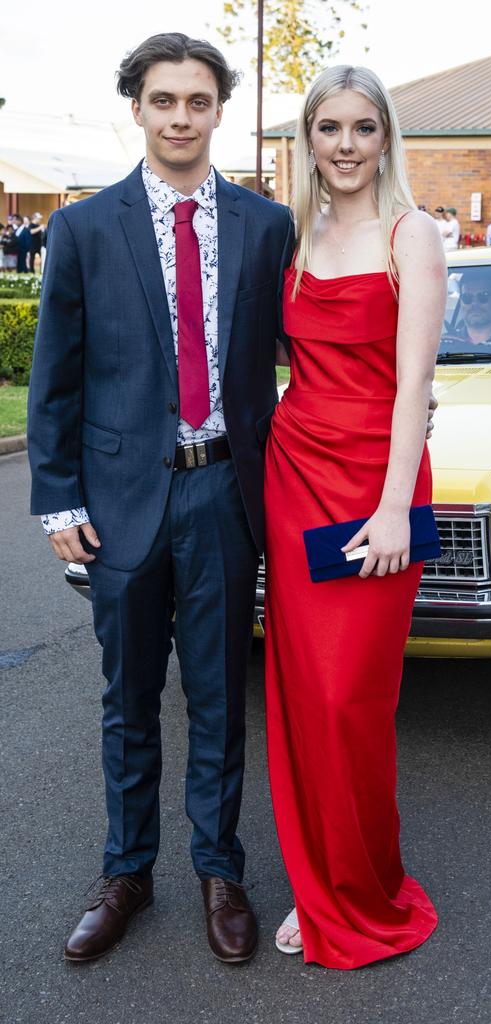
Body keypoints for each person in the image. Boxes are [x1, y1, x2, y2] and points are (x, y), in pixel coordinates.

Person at [27, 32, 296, 966]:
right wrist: (57, 499)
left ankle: (221, 871)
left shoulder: (268, 227)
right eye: (163, 100)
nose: (182, 117)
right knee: (128, 698)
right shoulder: (85, 228)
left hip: (227, 491)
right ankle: (126, 873)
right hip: (121, 499)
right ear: (137, 109)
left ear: (220, 109)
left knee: (222, 698)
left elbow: (313, 351)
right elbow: (55, 378)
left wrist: (404, 395)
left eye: (198, 100)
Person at [265, 64, 443, 968]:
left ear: (386, 138)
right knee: (301, 697)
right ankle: (316, 885)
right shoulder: (292, 235)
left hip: (378, 488)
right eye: (328, 128)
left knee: (351, 702)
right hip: (295, 475)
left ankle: (361, 891)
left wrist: (396, 509)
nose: (345, 145)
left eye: (362, 128)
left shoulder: (411, 236)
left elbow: (415, 384)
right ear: (309, 139)